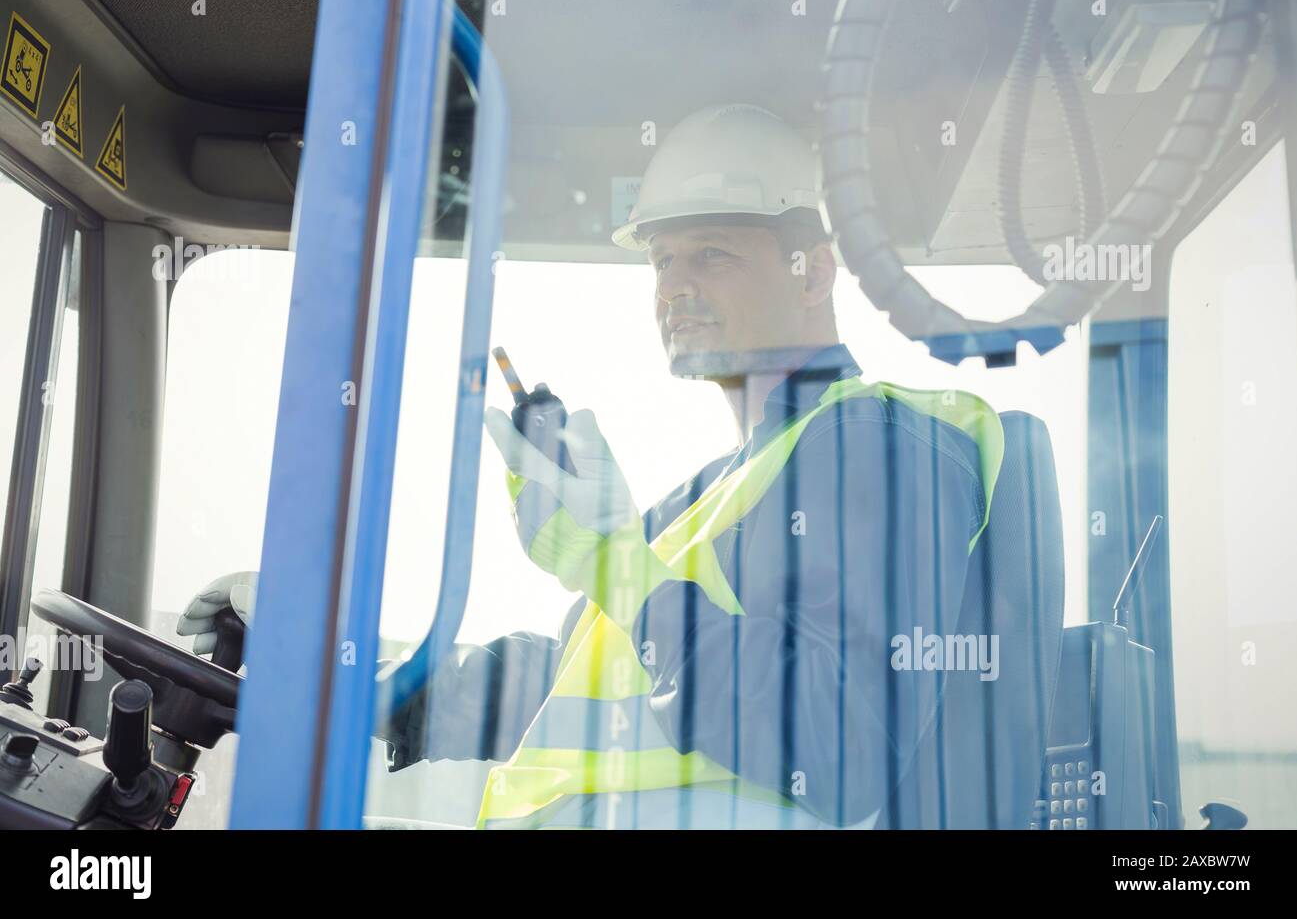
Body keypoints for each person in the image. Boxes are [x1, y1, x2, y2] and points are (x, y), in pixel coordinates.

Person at [178, 104, 1004, 829]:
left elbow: (840, 741)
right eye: (660, 260)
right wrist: (331, 654)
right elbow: (547, 693)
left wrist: (622, 573)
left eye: (711, 253)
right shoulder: (700, 500)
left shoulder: (888, 444)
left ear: (814, 269)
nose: (674, 286)